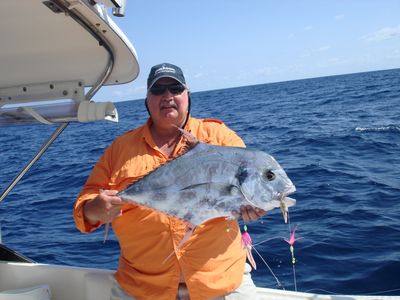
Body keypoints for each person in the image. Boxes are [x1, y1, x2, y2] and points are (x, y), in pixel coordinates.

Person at [73, 63, 265, 300]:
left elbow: (246, 184)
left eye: (175, 88)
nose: (167, 96)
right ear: (147, 99)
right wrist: (95, 209)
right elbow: (85, 209)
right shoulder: (120, 149)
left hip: (221, 283)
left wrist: (254, 205)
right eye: (158, 90)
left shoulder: (219, 137)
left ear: (187, 96)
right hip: (143, 288)